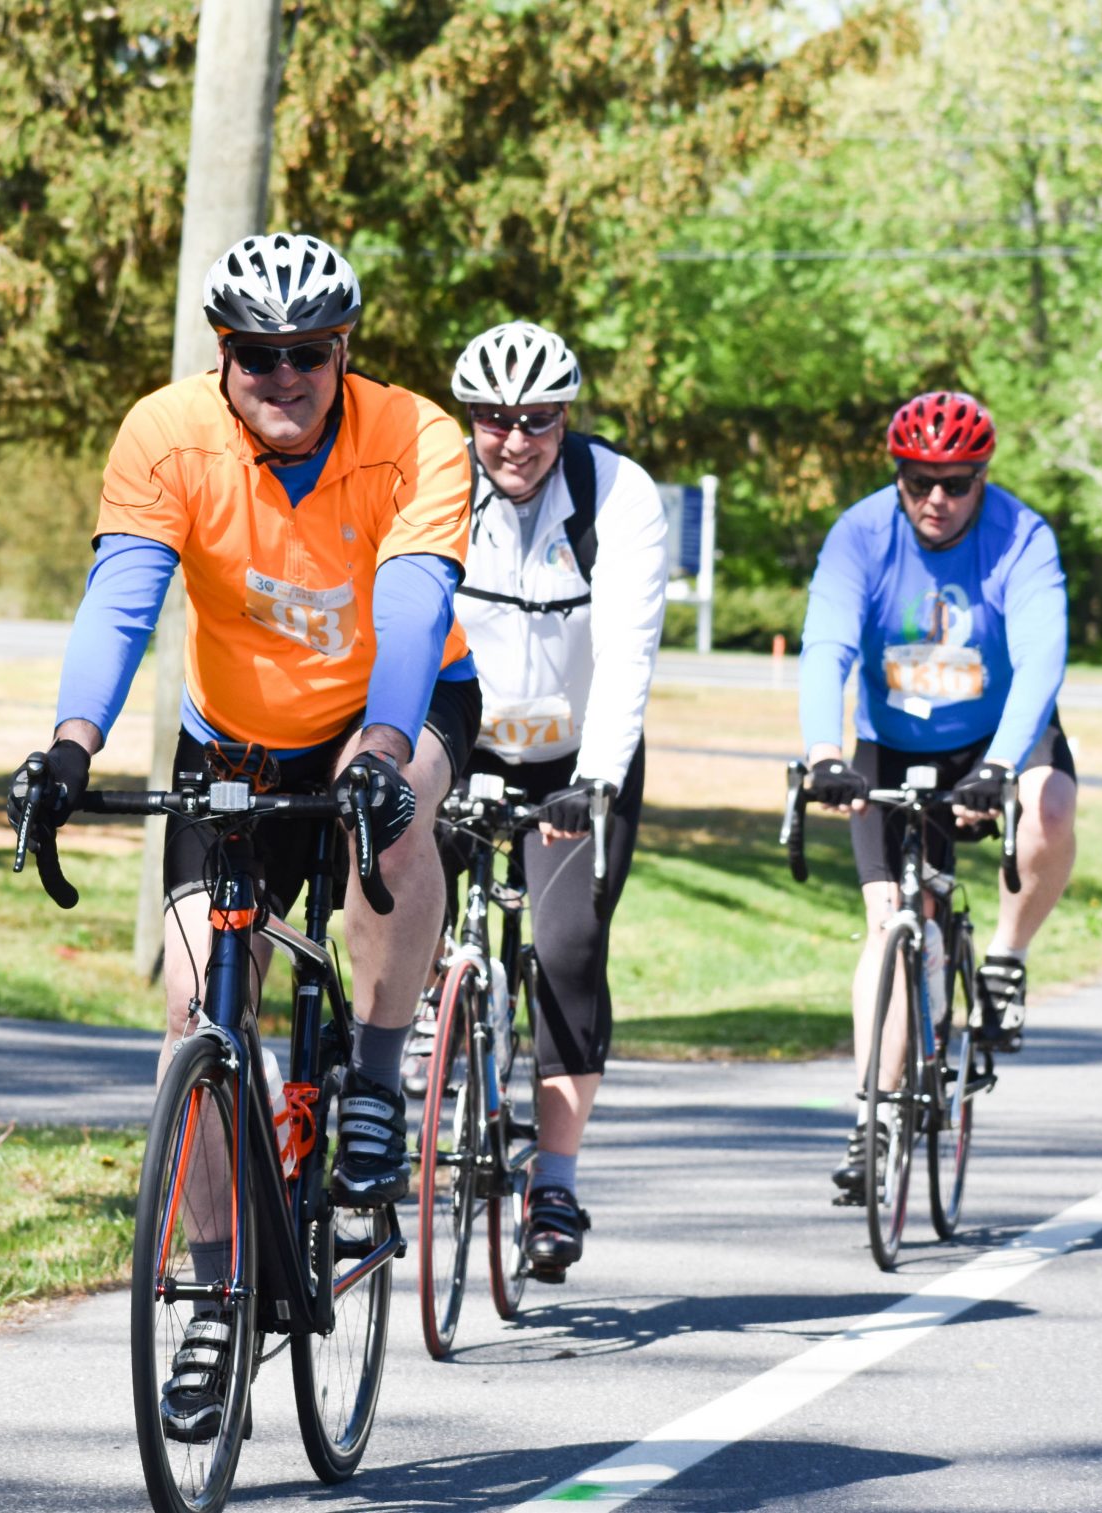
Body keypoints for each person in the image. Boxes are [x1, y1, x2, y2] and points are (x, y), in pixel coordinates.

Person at [5, 231, 479, 1437]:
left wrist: (378, 746)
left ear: (342, 352)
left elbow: (416, 598)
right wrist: (70, 745)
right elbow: (122, 592)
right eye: (256, 355)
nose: (282, 376)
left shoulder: (417, 437)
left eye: (306, 354)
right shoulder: (165, 435)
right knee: (192, 1012)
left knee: (400, 808)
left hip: (395, 703)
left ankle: (372, 1072)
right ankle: (216, 1289)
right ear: (223, 356)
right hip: (234, 734)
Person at [410, 319, 668, 1282]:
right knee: (395, 889)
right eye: (491, 419)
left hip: (575, 757)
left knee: (565, 946)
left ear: (566, 416)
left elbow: (630, 653)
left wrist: (598, 778)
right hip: (461, 737)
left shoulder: (618, 494)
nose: (513, 440)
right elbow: (400, 617)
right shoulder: (435, 484)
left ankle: (554, 1177)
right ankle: (412, 1052)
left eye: (537, 419)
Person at [797, 390, 1076, 1203]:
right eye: (920, 480)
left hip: (995, 736)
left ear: (981, 476)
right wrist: (822, 752)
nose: (936, 500)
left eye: (956, 482)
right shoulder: (861, 533)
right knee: (889, 925)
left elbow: (1041, 658)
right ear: (900, 474)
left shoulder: (1021, 537)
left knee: (1049, 805)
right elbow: (827, 645)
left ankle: (1007, 960)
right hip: (891, 741)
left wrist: (998, 767)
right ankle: (874, 1116)